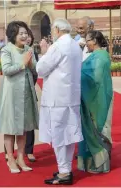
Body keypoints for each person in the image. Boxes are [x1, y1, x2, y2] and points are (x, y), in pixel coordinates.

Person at [36, 18, 83, 185]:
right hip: (71, 97)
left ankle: (64, 172)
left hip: (57, 99)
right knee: (69, 135)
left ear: (56, 29)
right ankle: (66, 169)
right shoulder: (75, 45)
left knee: (59, 136)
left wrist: (43, 51)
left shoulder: (57, 46)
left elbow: (41, 69)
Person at [0, 21, 39, 173]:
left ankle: (21, 158)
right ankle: (11, 159)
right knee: (10, 127)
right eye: (21, 33)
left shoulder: (28, 49)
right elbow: (6, 70)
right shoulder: (6, 50)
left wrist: (32, 61)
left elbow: (33, 67)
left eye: (26, 33)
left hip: (26, 92)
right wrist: (23, 63)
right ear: (13, 35)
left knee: (24, 127)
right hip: (12, 93)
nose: (24, 36)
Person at [78, 30, 113, 174]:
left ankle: (99, 165)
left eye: (88, 40)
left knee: (96, 130)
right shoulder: (97, 55)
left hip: (96, 100)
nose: (86, 43)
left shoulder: (100, 56)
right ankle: (92, 163)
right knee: (91, 130)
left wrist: (78, 74)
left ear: (95, 41)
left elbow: (96, 79)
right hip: (94, 97)